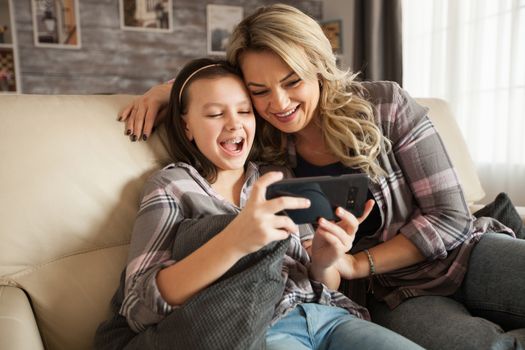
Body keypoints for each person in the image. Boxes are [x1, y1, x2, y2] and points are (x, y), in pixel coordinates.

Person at [118, 5, 525, 350]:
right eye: (259, 91)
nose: (278, 104)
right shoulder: (263, 149)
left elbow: (450, 219)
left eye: (293, 81)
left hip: (462, 254)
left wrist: (352, 263)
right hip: (390, 294)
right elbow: (218, 99)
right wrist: (169, 95)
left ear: (319, 68)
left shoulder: (385, 106)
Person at [112, 57, 423, 349]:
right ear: (186, 126)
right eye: (215, 114)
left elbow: (326, 284)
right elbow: (139, 308)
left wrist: (325, 260)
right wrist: (235, 242)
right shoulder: (172, 186)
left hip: (330, 317)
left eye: (245, 111)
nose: (234, 124)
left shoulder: (278, 178)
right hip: (260, 329)